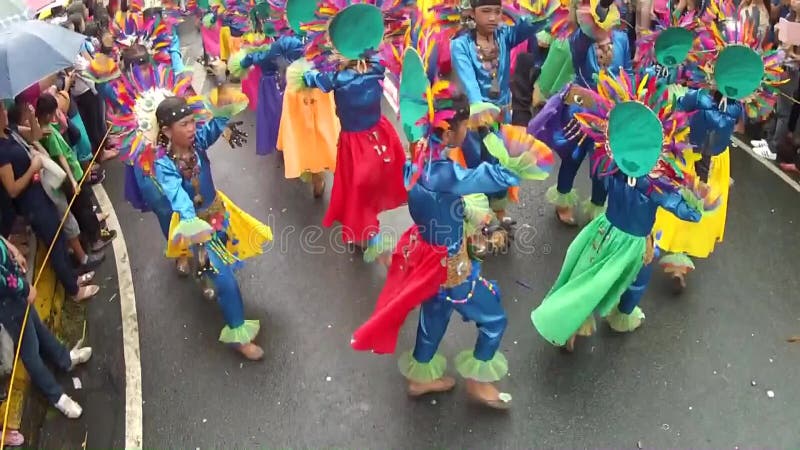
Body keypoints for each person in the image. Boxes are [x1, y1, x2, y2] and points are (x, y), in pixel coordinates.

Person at [531, 71, 713, 351]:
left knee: (587, 279)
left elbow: (600, 166)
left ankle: (570, 325)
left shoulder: (610, 169)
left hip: (603, 231)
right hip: (634, 246)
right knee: (637, 283)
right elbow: (687, 212)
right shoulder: (656, 187)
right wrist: (699, 202)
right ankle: (621, 316)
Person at [151, 93, 272, 360]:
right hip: (197, 229)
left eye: (192, 121)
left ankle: (203, 273)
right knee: (226, 279)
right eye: (184, 124)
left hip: (219, 216)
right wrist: (190, 219)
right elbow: (177, 195)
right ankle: (238, 333)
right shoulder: (164, 164)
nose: (192, 128)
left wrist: (225, 106)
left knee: (221, 264)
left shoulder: (198, 143)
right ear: (166, 131)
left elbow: (215, 126)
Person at [295, 0, 409, 263]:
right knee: (372, 186)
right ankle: (365, 233)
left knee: (359, 191)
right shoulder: (377, 67)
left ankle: (379, 248)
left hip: (355, 145)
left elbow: (309, 79)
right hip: (381, 135)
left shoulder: (336, 77)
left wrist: (310, 64)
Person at [450, 0, 551, 241]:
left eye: (497, 12)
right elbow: (470, 86)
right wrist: (482, 115)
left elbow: (538, 21)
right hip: (475, 121)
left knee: (499, 162)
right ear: (471, 13)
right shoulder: (460, 45)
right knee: (476, 167)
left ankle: (498, 210)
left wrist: (510, 10)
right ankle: (478, 221)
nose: (494, 18)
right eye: (486, 11)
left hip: (501, 117)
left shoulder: (504, 36)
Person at [231, 0, 339, 197]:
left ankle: (308, 165)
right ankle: (319, 172)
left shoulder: (286, 42)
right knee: (323, 128)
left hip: (296, 95)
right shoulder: (325, 41)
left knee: (301, 131)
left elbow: (261, 57)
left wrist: (243, 61)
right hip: (321, 95)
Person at [0, 102, 99, 303]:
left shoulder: (10, 131)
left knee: (60, 238)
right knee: (55, 245)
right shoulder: (1, 151)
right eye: (0, 109)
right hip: (30, 203)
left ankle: (73, 278)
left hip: (41, 192)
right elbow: (12, 189)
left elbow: (35, 136)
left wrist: (29, 117)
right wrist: (32, 168)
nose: (4, 111)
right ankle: (74, 291)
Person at [545, 0, 631, 226]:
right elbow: (580, 48)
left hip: (611, 111)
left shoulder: (621, 39)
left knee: (604, 162)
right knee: (574, 156)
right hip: (581, 106)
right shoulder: (580, 40)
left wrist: (627, 96)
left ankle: (597, 207)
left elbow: (627, 70)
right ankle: (563, 200)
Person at [0, 236, 93, 419]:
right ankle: (57, 396)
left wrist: (12, 249)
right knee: (30, 352)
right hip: (7, 301)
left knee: (38, 328)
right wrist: (24, 289)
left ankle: (64, 359)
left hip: (14, 288)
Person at [35, 94, 117, 253]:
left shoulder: (42, 129)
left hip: (69, 175)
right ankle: (96, 239)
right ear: (48, 114)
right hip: (72, 174)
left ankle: (90, 237)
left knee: (80, 208)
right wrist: (73, 180)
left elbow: (64, 129)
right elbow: (61, 157)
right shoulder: (49, 135)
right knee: (84, 207)